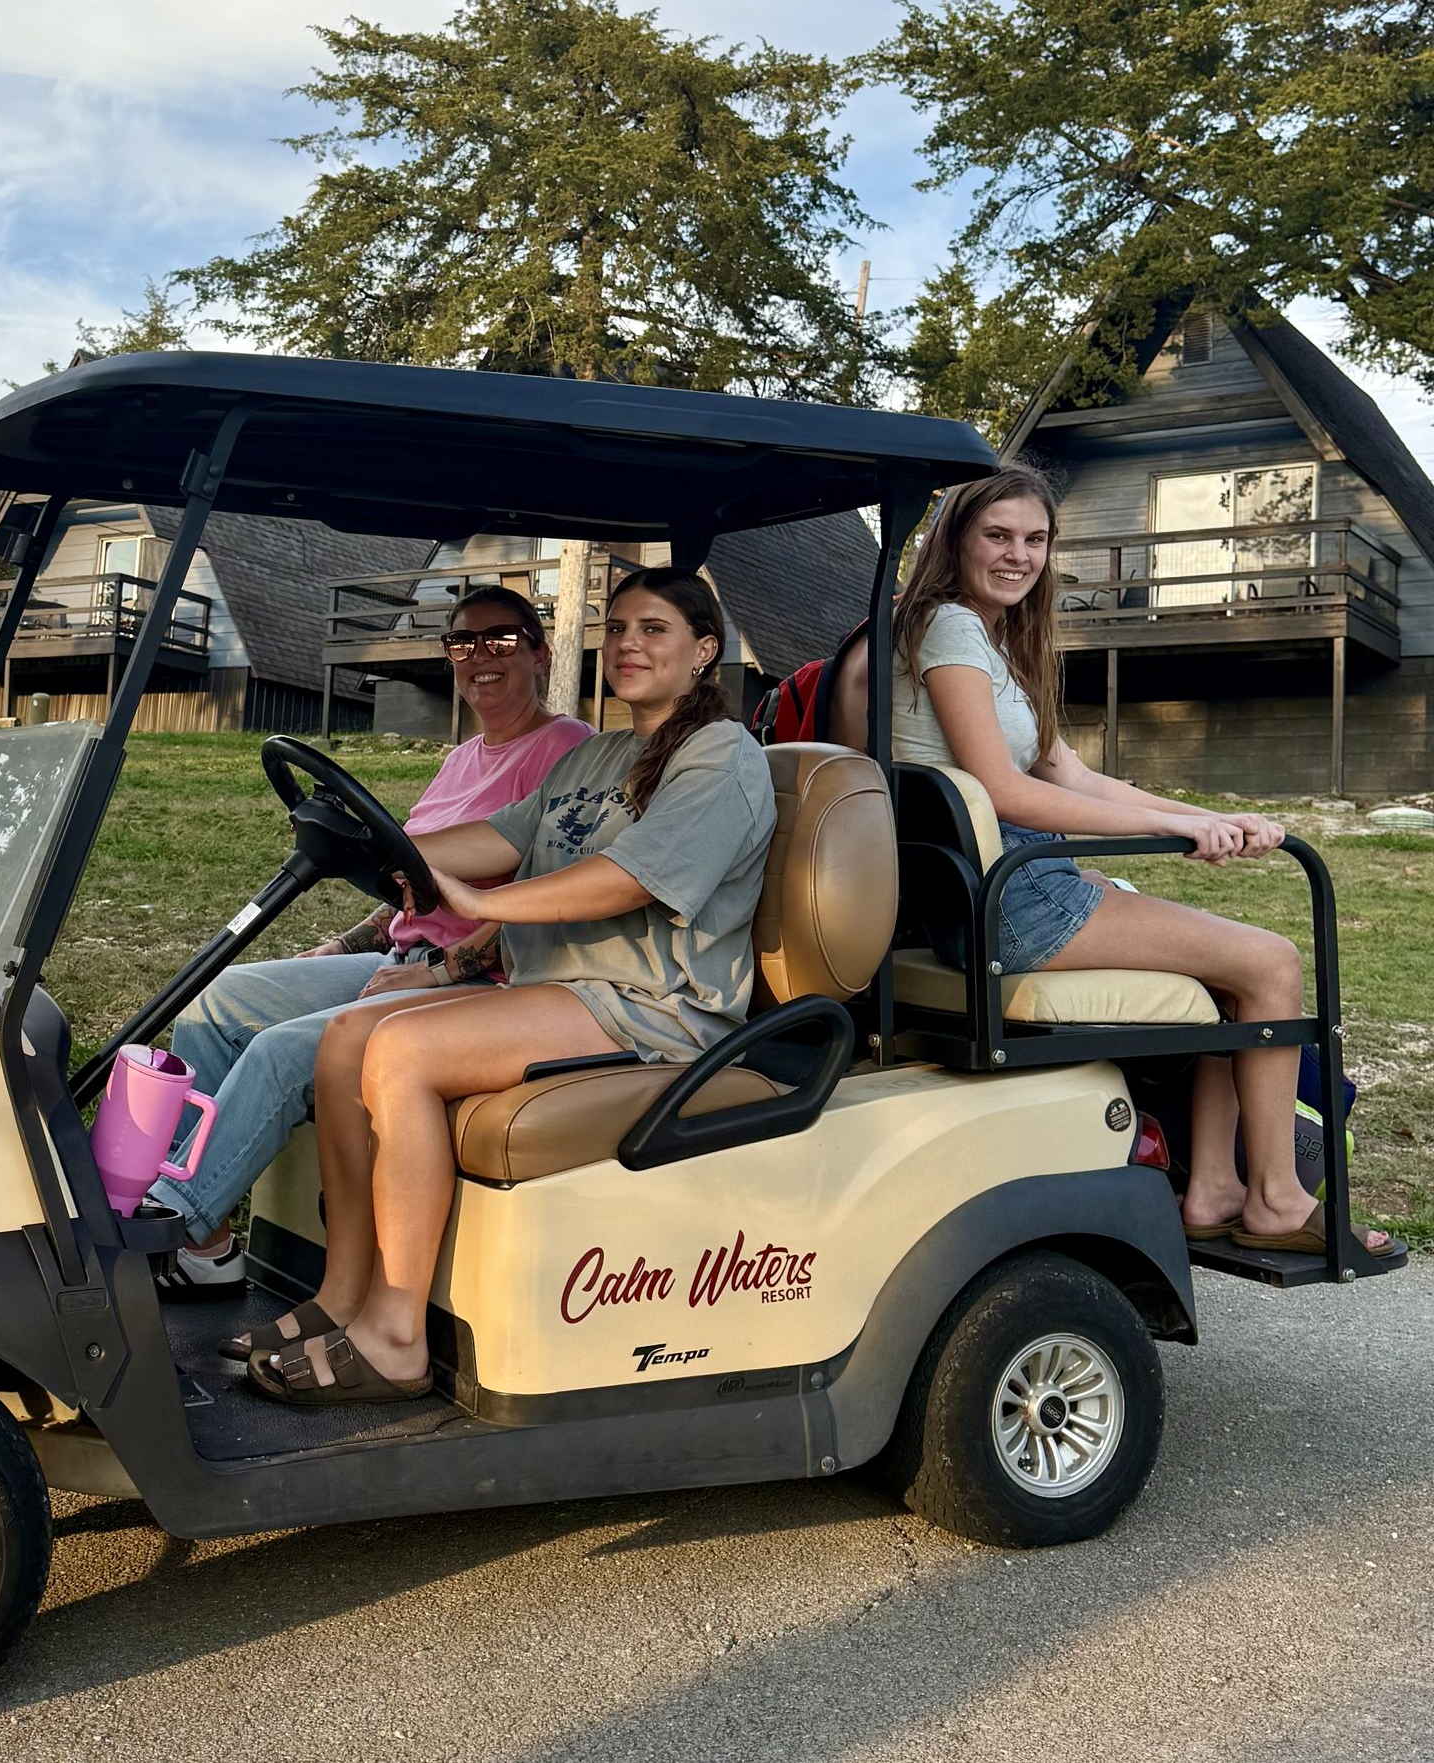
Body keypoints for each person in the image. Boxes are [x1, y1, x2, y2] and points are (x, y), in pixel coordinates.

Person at [245, 567, 777, 1403]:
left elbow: (626, 880)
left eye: (656, 629)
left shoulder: (722, 758)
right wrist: (377, 847)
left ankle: (395, 1335)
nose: (630, 643)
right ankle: (342, 1292)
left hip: (655, 1005)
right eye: (621, 627)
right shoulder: (603, 753)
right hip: (567, 990)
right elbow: (496, 836)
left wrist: (485, 902)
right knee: (350, 1035)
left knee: (403, 1050)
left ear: (704, 649)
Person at [889, 467, 1392, 1259]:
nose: (1019, 555)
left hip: (1006, 887)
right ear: (955, 540)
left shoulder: (987, 639)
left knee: (1234, 976)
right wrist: (1168, 825)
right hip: (1010, 898)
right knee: (1272, 964)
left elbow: (1072, 775)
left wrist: (1208, 818)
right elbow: (1002, 789)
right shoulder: (949, 626)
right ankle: (1277, 1197)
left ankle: (1216, 1188)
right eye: (998, 536)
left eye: (1035, 539)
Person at [151, 586, 592, 1291]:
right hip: (404, 957)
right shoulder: (460, 760)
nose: (480, 656)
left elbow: (549, 906)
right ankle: (205, 1242)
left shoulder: (568, 751)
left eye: (501, 640)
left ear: (539, 653)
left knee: (285, 1050)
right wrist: (344, 941)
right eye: (463, 643)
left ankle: (170, 1223)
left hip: (486, 983)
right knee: (220, 996)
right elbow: (409, 885)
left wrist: (441, 968)